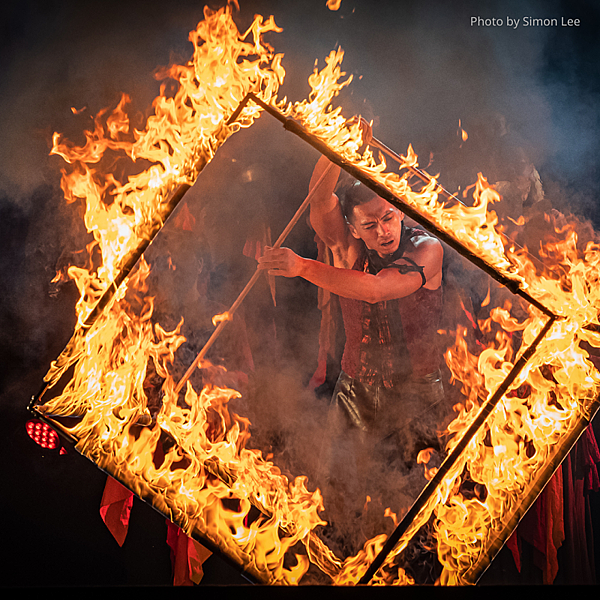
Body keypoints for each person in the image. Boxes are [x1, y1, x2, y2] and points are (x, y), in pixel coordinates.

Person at [257, 129, 449, 552]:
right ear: (353, 228)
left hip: (417, 396)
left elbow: (378, 289)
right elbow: (320, 201)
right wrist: (334, 147)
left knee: (414, 517)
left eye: (389, 218)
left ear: (400, 212)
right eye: (369, 225)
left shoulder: (427, 248)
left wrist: (303, 266)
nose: (383, 231)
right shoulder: (345, 245)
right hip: (355, 392)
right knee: (336, 506)